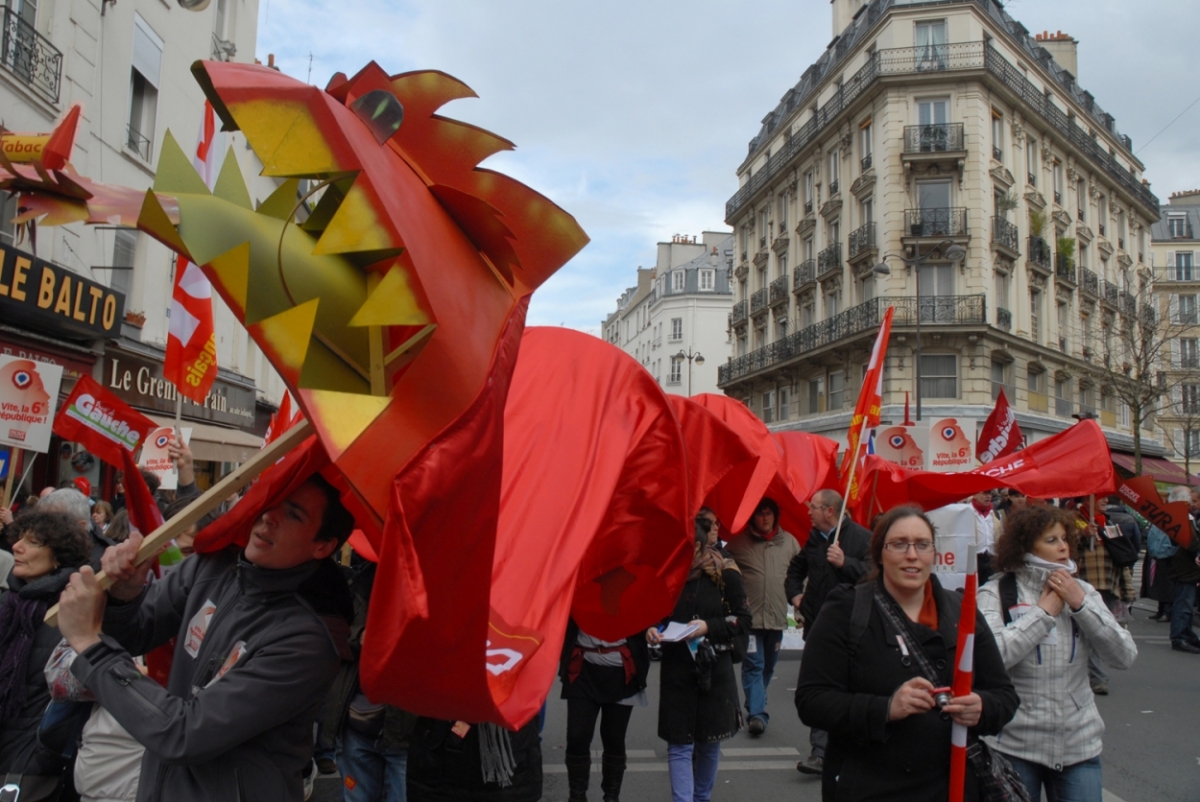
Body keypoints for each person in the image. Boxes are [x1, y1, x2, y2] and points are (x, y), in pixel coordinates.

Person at [55, 473, 356, 802]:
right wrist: (123, 597)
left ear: (323, 546)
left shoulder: (308, 641)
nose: (270, 517)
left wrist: (89, 643)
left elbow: (184, 734)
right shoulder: (215, 565)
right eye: (271, 502)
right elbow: (137, 633)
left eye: (294, 514)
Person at [795, 506, 1018, 802]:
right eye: (899, 544)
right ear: (879, 553)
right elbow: (812, 700)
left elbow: (1004, 695)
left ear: (934, 554)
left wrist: (982, 707)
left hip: (952, 786)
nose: (912, 555)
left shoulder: (962, 611)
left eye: (922, 545)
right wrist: (886, 708)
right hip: (870, 786)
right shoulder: (846, 610)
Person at [978, 505, 1137, 800]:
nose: (1063, 547)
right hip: (1014, 744)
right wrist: (1042, 615)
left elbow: (1124, 656)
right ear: (1026, 546)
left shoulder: (1084, 591)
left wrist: (1082, 606)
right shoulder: (995, 592)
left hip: (1079, 745)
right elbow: (991, 658)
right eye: (1051, 540)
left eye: (1065, 539)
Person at [647, 513, 751, 802]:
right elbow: (654, 613)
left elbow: (743, 620)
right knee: (678, 744)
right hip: (677, 669)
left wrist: (709, 626)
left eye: (691, 547)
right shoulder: (667, 572)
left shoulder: (725, 571)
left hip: (714, 668)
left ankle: (701, 798)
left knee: (708, 743)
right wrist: (653, 628)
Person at [0, 511, 91, 801]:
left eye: (33, 542)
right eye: (19, 539)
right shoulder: (9, 603)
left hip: (34, 758)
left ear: (58, 558)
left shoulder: (76, 608)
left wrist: (42, 752)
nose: (16, 547)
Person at [785, 489, 871, 775]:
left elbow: (876, 576)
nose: (809, 512)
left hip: (853, 627)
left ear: (830, 511)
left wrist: (845, 564)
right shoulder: (813, 540)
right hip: (819, 626)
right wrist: (796, 596)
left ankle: (853, 750)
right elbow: (795, 571)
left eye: (814, 508)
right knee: (820, 690)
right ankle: (820, 753)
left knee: (852, 688)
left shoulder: (861, 538)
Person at [723, 497, 798, 735]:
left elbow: (800, 576)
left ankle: (755, 702)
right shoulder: (738, 544)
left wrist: (800, 605)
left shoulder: (789, 542)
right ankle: (757, 714)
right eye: (759, 514)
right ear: (752, 517)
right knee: (754, 665)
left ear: (775, 516)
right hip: (750, 619)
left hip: (776, 617)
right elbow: (722, 570)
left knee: (768, 667)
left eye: (768, 513)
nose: (764, 518)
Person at [558, 614, 650, 802]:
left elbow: (649, 605)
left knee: (614, 738)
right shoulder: (578, 584)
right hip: (582, 668)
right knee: (577, 736)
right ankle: (576, 796)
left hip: (621, 669)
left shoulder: (632, 585)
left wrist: (652, 626)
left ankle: (611, 797)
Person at [38, 488, 114, 568]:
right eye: (42, 521)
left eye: (54, 523)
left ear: (80, 526)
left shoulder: (98, 562)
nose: (44, 529)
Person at [1165, 486, 1200, 653]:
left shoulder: (1179, 515)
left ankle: (1186, 634)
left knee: (1184, 602)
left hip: (1183, 567)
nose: (1192, 504)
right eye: (1191, 500)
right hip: (1185, 568)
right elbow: (1191, 542)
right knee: (1183, 603)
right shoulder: (1183, 516)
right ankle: (1179, 637)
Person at [969, 490, 997, 584]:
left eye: (989, 493)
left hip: (992, 556)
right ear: (975, 495)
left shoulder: (995, 513)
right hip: (974, 557)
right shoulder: (967, 511)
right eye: (985, 493)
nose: (988, 496)